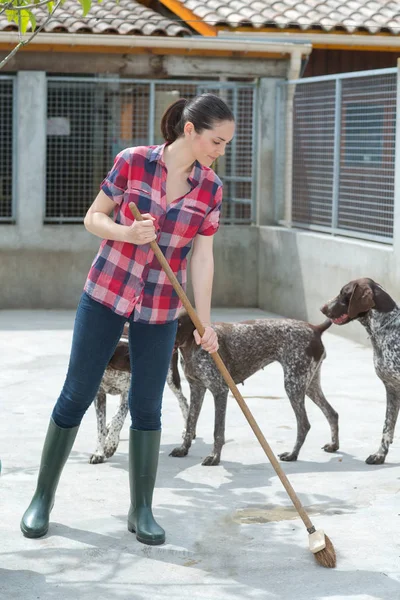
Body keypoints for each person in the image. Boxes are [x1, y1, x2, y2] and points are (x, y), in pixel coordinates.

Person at [20, 93, 235, 546]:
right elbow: (93, 217)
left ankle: (141, 510)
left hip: (159, 307)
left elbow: (203, 257)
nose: (220, 151)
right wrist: (127, 232)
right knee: (77, 393)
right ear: (190, 130)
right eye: (216, 141)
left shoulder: (211, 189)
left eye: (225, 144)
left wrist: (204, 321)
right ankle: (42, 498)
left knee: (147, 405)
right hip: (106, 292)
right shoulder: (133, 161)